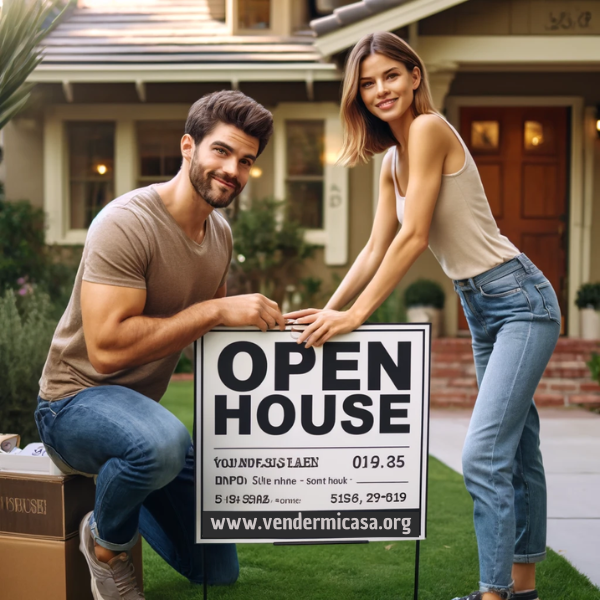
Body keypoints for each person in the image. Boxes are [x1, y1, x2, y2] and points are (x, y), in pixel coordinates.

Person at [285, 32, 560, 600]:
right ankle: (523, 592)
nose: (379, 89)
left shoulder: (431, 130)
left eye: (390, 75)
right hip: (481, 307)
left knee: (483, 455)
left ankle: (492, 593)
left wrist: (359, 315)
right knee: (519, 450)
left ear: (415, 76)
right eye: (366, 83)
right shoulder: (391, 160)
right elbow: (373, 247)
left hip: (520, 301)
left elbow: (412, 238)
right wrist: (330, 310)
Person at [34, 90, 286, 600]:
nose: (233, 170)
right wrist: (217, 308)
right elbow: (105, 349)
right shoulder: (127, 222)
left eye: (246, 160)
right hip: (72, 403)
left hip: (137, 416)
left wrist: (290, 336)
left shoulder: (219, 234)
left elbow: (207, 336)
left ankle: (129, 476)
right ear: (188, 146)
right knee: (161, 445)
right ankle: (105, 545)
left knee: (217, 567)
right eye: (222, 151)